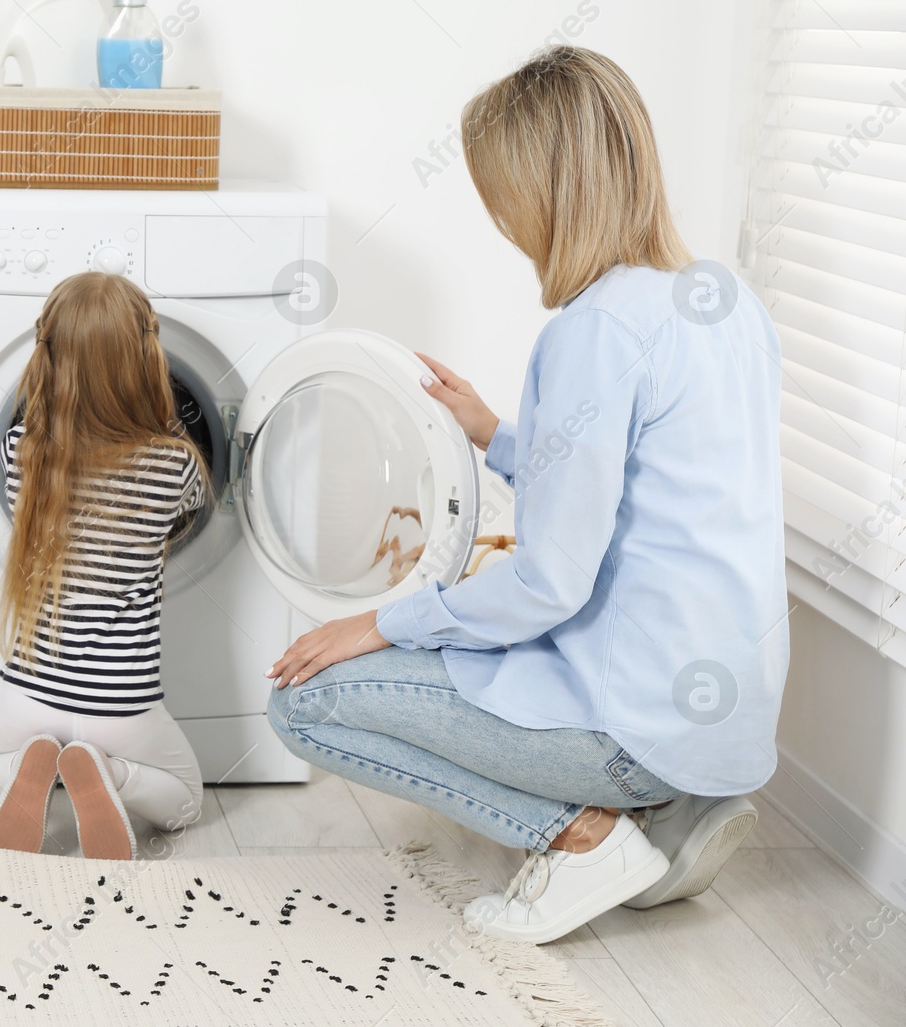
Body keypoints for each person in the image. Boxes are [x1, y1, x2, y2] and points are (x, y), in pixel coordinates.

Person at [265, 46, 788, 944]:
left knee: (300, 703)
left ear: (544, 191)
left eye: (500, 195)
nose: (501, 220)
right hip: (725, 717)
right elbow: (650, 489)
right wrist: (499, 440)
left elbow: (549, 584)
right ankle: (668, 816)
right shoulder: (724, 301)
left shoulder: (592, 331)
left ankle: (583, 834)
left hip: (634, 722)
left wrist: (381, 621)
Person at [0, 271, 210, 861]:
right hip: (123, 704)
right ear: (147, 358)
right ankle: (110, 774)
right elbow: (194, 507)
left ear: (46, 359)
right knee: (187, 801)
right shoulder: (173, 464)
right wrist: (163, 414)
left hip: (29, 697)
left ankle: (36, 768)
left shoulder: (20, 451)